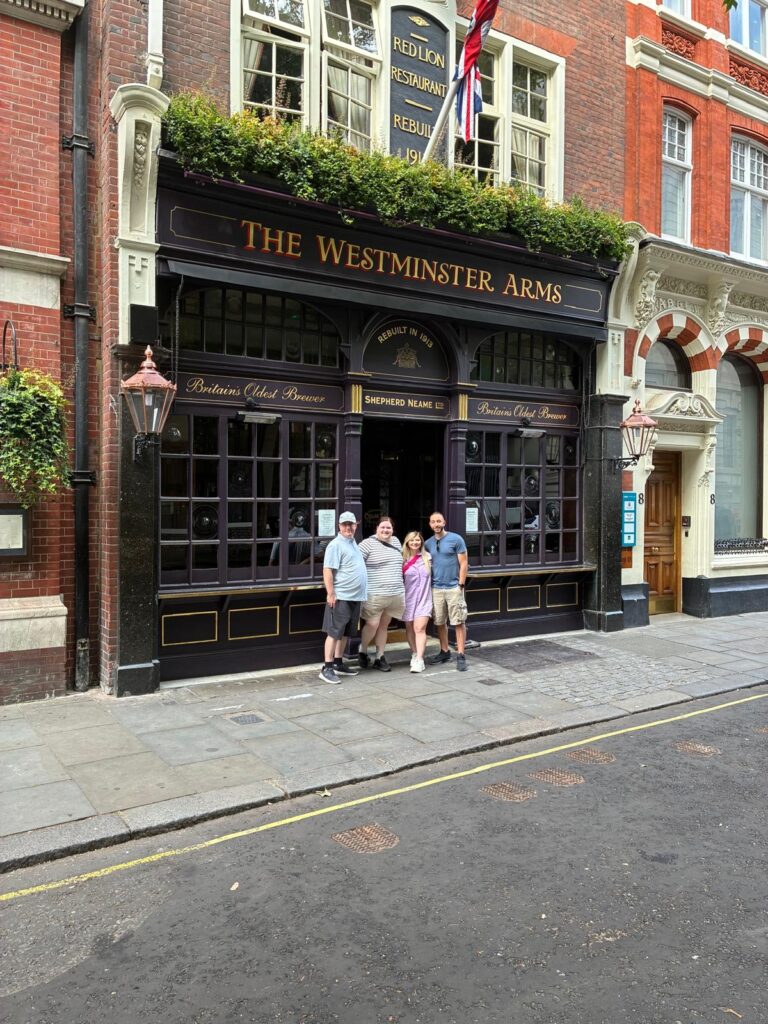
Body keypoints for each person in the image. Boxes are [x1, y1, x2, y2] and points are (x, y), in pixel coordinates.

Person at [320, 511, 367, 684]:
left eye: (351, 524)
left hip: (355, 596)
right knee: (334, 632)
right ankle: (327, 667)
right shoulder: (335, 545)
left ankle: (339, 663)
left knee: (346, 632)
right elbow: (327, 570)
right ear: (339, 526)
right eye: (344, 524)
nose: (348, 527)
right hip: (341, 596)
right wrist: (331, 593)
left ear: (356, 525)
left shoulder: (353, 542)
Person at [357, 516, 404, 672]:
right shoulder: (367, 544)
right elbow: (355, 565)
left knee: (384, 626)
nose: (386, 530)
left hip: (395, 593)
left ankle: (380, 657)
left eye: (388, 528)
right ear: (376, 528)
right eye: (383, 527)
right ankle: (362, 650)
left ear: (393, 529)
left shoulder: (396, 542)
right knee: (372, 623)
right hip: (375, 593)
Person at [424, 511, 469, 671]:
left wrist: (461, 585)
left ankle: (461, 654)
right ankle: (444, 651)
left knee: (458, 621)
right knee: (440, 621)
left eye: (439, 521)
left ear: (444, 522)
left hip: (453, 587)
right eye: (433, 522)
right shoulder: (427, 543)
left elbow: (464, 563)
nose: (436, 524)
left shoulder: (456, 539)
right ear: (430, 524)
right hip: (436, 587)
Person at [401, 531, 432, 673]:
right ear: (407, 542)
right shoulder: (403, 559)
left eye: (417, 540)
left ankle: (420, 659)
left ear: (421, 542)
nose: (415, 543)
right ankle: (414, 652)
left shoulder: (427, 557)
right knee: (410, 628)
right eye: (412, 540)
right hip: (408, 599)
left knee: (419, 628)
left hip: (425, 598)